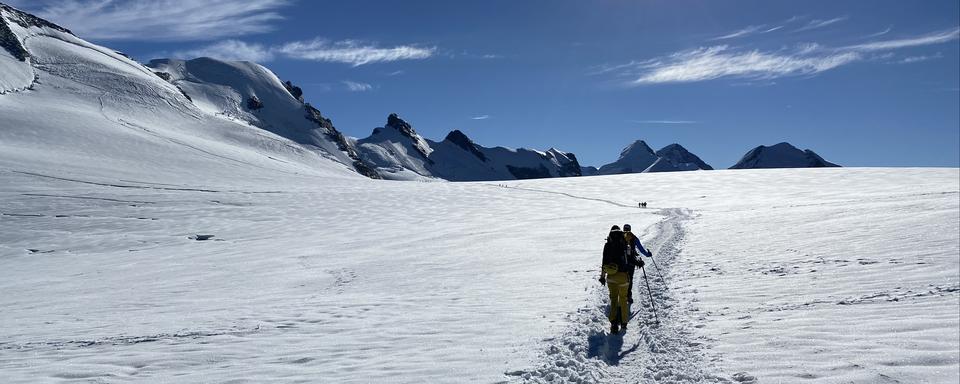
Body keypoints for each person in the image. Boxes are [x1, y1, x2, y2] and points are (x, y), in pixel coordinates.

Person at [599, 225, 637, 333]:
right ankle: (624, 323)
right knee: (623, 299)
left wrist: (602, 276)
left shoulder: (607, 245)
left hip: (611, 276)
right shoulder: (624, 244)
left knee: (614, 300)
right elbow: (630, 258)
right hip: (623, 276)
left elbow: (604, 262)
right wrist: (639, 262)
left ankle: (614, 324)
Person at [622, 224, 652, 304]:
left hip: (621, 262)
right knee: (630, 278)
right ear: (630, 229)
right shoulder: (634, 238)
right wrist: (648, 254)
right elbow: (641, 249)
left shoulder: (619, 237)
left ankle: (620, 296)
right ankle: (629, 296)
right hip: (631, 261)